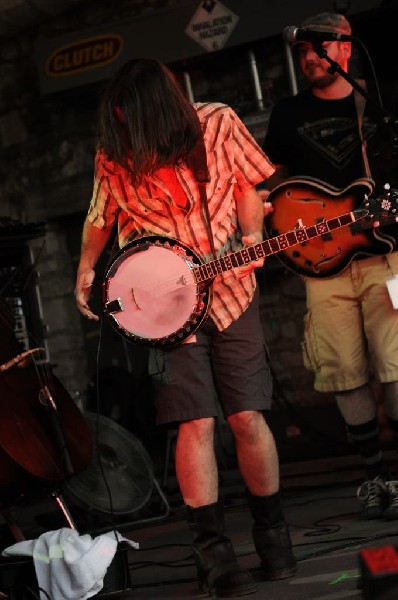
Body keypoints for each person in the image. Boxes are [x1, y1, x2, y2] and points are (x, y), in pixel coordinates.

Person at [74, 58, 297, 597]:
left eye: (135, 124)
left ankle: (273, 535)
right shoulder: (114, 154)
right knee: (196, 422)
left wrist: (249, 238)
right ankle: (212, 555)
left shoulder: (217, 124)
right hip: (164, 307)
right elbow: (100, 215)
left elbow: (251, 187)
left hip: (231, 291)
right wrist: (85, 268)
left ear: (160, 114)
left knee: (246, 415)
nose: (127, 136)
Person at [262, 11, 398, 520]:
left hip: (387, 254)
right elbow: (270, 182)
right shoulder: (286, 115)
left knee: (396, 363)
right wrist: (275, 219)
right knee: (342, 367)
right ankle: (374, 478)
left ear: (345, 48)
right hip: (323, 263)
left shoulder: (379, 102)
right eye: (302, 51)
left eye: (319, 48)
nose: (309, 58)